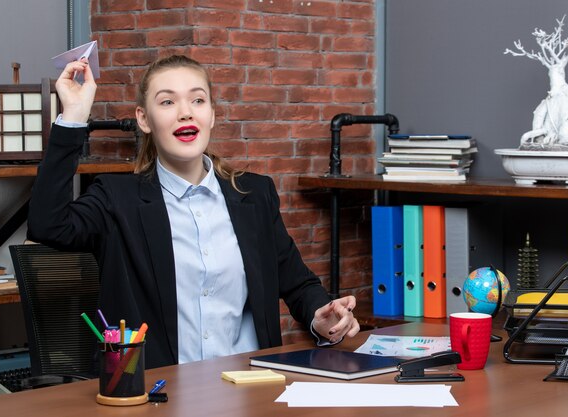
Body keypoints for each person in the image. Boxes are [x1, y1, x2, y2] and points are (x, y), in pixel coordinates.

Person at [27, 55, 360, 369]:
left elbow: (298, 283)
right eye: (167, 101)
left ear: (212, 114)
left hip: (248, 389)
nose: (185, 112)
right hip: (160, 396)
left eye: (197, 100)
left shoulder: (255, 195)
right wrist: (73, 116)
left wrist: (321, 315)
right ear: (144, 118)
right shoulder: (117, 198)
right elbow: (48, 225)